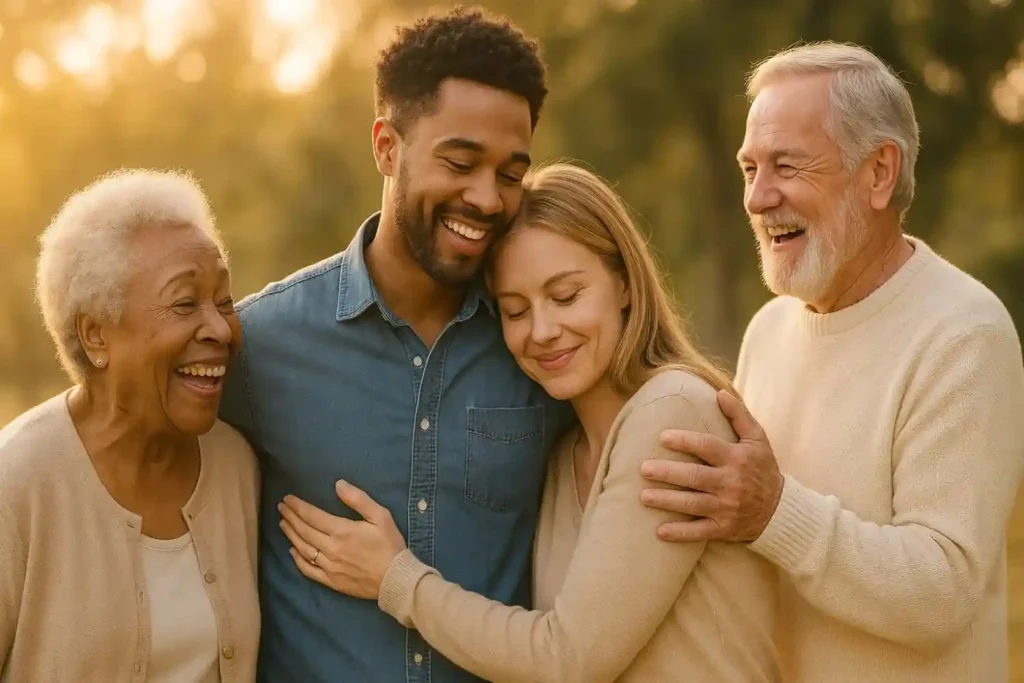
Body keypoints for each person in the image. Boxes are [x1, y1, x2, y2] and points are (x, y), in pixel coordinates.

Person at [276, 162, 781, 682]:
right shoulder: (563, 458)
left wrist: (396, 578)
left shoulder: (673, 413)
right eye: (515, 311)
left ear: (625, 284)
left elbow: (569, 659)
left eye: (566, 297)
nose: (542, 330)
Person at [637, 42, 1024, 682]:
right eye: (749, 169)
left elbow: (943, 593)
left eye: (786, 166)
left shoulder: (963, 334)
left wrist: (773, 512)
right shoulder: (769, 329)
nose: (758, 199)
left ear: (878, 173)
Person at [216, 8, 576, 682]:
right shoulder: (263, 343)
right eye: (461, 162)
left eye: (510, 173)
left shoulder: (542, 345)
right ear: (386, 146)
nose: (488, 198)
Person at [0, 169, 261, 682]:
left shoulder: (237, 467)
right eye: (185, 304)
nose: (219, 328)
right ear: (96, 336)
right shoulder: (16, 484)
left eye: (225, 302)